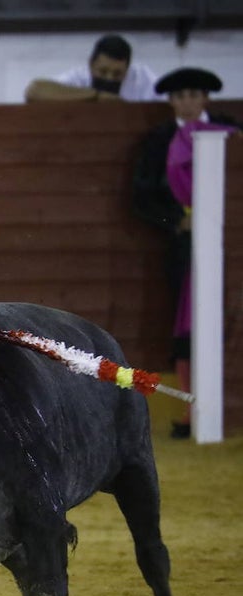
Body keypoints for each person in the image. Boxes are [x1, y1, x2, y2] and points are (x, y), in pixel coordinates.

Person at [131, 67, 241, 438]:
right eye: (180, 96)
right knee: (188, 320)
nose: (188, 101)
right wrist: (176, 220)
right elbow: (141, 195)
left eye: (194, 93)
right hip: (182, 243)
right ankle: (190, 410)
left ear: (206, 97)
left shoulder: (232, 131)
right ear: (171, 101)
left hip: (235, 239)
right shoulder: (159, 140)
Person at [24, 34, 158, 102]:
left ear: (128, 69)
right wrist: (96, 95)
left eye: (117, 74)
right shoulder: (78, 78)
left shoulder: (141, 77)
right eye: (103, 71)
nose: (109, 78)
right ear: (91, 65)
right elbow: (34, 91)